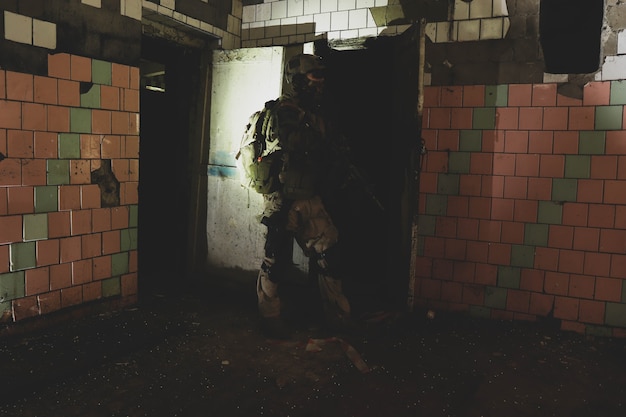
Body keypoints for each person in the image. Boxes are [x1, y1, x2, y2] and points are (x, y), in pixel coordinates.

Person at [255, 53, 353, 339]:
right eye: (315, 76)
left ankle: (338, 317)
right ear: (298, 80)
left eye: (321, 77)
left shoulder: (315, 112)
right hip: (284, 196)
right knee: (275, 259)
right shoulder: (286, 110)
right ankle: (269, 317)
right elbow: (292, 141)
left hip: (309, 195)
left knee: (329, 252)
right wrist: (324, 141)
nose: (320, 82)